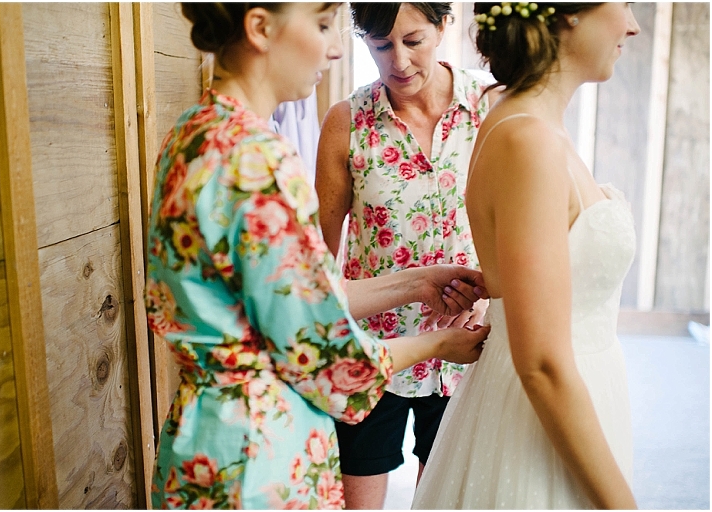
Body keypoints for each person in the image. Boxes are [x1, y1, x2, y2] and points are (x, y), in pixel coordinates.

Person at [143, 3, 491, 509]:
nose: (333, 48)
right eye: (324, 25)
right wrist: (436, 344)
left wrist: (419, 282)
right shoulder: (258, 160)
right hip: (259, 453)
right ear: (261, 27)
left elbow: (308, 294)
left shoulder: (193, 132)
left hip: (204, 436)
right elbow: (327, 354)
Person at [412, 2, 641, 509]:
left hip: (577, 389)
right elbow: (540, 362)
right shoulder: (527, 138)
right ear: (568, 14)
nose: (632, 23)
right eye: (624, 3)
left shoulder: (527, 122)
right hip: (541, 410)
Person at [315, 3, 497, 508]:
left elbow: (515, 226)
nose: (398, 61)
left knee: (441, 499)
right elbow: (316, 265)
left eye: (413, 41)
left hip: (466, 346)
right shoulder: (346, 123)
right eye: (380, 46)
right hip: (373, 350)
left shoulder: (490, 105)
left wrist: (490, 299)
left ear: (443, 26)